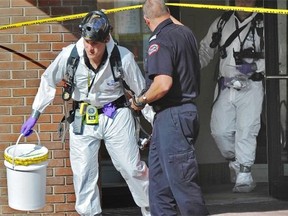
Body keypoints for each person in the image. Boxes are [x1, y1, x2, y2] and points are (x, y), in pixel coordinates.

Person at [20, 10, 153, 216]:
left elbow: (142, 91)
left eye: (96, 44)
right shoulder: (69, 55)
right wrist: (35, 114)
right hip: (83, 116)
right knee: (83, 173)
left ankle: (151, 208)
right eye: (87, 42)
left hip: (115, 113)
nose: (91, 48)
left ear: (106, 39)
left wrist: (156, 121)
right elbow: (48, 80)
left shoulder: (122, 57)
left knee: (131, 168)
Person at [131, 0, 209, 215]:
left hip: (172, 118)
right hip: (176, 117)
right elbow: (175, 23)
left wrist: (140, 100)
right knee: (159, 189)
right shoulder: (185, 34)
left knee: (183, 186)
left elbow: (163, 84)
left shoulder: (160, 40)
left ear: (146, 21)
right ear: (169, 13)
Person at [199, 0, 265, 193]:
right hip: (226, 85)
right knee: (219, 131)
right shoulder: (222, 22)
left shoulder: (263, 24)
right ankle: (238, 161)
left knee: (247, 130)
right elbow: (205, 50)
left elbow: (275, 56)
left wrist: (255, 67)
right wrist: (191, 66)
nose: (244, 1)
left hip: (252, 84)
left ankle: (244, 174)